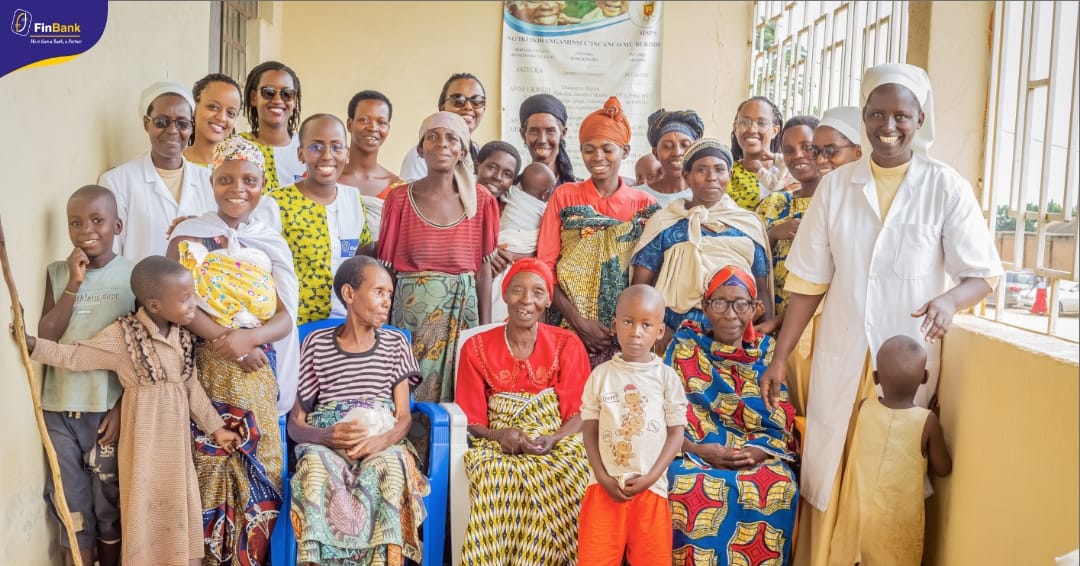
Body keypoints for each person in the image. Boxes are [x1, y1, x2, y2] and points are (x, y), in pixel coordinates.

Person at [757, 63, 1002, 566]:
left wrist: (949, 300)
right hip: (842, 353)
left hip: (904, 361)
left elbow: (983, 273)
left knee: (890, 476)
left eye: (901, 115)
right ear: (864, 117)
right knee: (835, 466)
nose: (888, 126)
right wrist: (779, 358)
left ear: (920, 119)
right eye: (877, 114)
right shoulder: (836, 186)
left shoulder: (946, 186)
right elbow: (807, 281)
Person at [20, 256, 241, 566]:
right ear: (154, 305)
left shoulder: (182, 338)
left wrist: (216, 428)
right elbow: (76, 356)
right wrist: (32, 344)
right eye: (185, 298)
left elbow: (191, 389)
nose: (194, 304)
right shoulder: (125, 337)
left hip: (176, 453)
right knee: (144, 508)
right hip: (143, 448)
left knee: (178, 508)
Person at [167, 136, 301, 563]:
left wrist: (250, 340)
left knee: (259, 467)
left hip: (258, 371)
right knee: (205, 463)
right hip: (205, 369)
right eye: (225, 179)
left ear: (263, 185)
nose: (236, 188)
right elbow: (181, 308)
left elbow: (285, 316)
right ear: (212, 181)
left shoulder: (269, 241)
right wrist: (235, 346)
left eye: (248, 180)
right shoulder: (189, 235)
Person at [288, 256, 429, 565]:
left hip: (382, 436)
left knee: (390, 467)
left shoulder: (395, 343)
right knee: (313, 466)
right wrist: (325, 435)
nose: (386, 301)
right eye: (379, 291)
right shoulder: (315, 344)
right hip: (329, 436)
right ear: (349, 295)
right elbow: (295, 423)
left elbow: (403, 417)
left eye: (389, 294)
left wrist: (381, 441)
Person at [455, 258, 592, 565]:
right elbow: (471, 418)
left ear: (547, 301)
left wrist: (552, 439)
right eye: (517, 290)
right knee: (493, 474)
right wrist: (500, 434)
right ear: (504, 295)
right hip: (496, 442)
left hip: (556, 438)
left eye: (538, 292)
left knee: (576, 470)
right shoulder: (476, 347)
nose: (526, 300)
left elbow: (580, 413)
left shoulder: (567, 343)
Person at [665, 265, 799, 565]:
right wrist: (698, 449)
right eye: (720, 303)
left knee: (779, 484)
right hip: (691, 452)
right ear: (705, 306)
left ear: (755, 308)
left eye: (741, 304)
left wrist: (757, 452)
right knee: (684, 484)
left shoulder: (767, 351)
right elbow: (663, 413)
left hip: (756, 453)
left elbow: (780, 416)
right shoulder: (685, 346)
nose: (730, 314)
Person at [36, 185, 134, 566]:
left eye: (97, 221)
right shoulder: (58, 273)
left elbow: (140, 352)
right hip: (58, 408)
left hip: (105, 409)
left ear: (117, 225)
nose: (86, 230)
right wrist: (73, 285)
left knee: (108, 506)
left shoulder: (133, 276)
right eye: (75, 223)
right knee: (70, 504)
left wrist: (122, 407)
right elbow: (47, 336)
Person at [378, 111, 499, 403]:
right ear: (421, 148)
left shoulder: (481, 201)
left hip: (463, 317)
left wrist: (484, 330)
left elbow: (483, 271)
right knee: (409, 394)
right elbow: (388, 273)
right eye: (432, 137)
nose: (441, 144)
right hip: (411, 319)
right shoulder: (399, 200)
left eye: (451, 138)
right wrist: (383, 332)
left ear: (462, 150)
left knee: (460, 397)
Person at [537, 96, 659, 367]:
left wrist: (624, 326)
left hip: (628, 332)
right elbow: (546, 267)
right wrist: (579, 322)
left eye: (607, 149)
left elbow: (650, 277)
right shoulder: (565, 196)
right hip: (568, 324)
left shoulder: (646, 206)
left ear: (625, 151)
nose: (597, 157)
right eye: (588, 149)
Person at [577, 285, 687, 565]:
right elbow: (589, 429)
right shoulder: (600, 376)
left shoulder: (667, 378)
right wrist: (601, 475)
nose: (636, 332)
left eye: (646, 324)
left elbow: (676, 434)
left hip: (650, 492)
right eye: (628, 322)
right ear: (615, 325)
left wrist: (650, 478)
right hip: (603, 490)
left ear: (659, 331)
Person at [631, 138, 773, 348]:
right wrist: (656, 326)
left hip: (735, 337)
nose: (711, 177)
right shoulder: (665, 223)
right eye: (701, 170)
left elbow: (761, 290)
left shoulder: (748, 226)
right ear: (686, 177)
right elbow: (641, 287)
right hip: (674, 338)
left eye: (719, 169)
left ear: (729, 175)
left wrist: (764, 335)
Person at [829, 335, 951, 566]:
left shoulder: (864, 406)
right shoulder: (927, 421)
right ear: (924, 377)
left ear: (876, 378)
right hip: (896, 523)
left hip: (859, 514)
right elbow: (943, 468)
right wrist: (934, 427)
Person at [256, 114, 375, 325]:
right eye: (316, 147)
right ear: (300, 154)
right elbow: (257, 268)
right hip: (291, 328)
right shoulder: (275, 203)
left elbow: (364, 252)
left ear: (347, 154)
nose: (327, 155)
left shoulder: (352, 199)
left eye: (337, 147)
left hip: (345, 328)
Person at [98, 82, 215, 261]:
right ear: (147, 124)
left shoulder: (209, 181)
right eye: (162, 122)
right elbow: (111, 255)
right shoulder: (117, 182)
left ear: (191, 127)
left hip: (199, 288)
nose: (173, 130)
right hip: (138, 287)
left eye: (182, 124)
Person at [756, 115, 821, 320]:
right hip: (768, 315)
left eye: (807, 147)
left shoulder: (835, 204)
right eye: (789, 150)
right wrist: (773, 234)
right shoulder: (773, 203)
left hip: (817, 318)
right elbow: (747, 253)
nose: (798, 155)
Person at [491, 163, 556, 322]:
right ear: (546, 193)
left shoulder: (512, 193)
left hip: (503, 245)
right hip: (511, 248)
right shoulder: (544, 207)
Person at [338, 90, 406, 237]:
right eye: (364, 120)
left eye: (381, 122)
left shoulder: (398, 190)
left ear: (388, 129)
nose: (373, 127)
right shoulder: (324, 177)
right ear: (350, 124)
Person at [400, 73, 487, 181]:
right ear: (442, 107)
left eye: (477, 101)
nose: (468, 107)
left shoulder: (479, 154)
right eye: (458, 100)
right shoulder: (422, 155)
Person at [240, 61, 306, 192]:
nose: (277, 100)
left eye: (287, 94)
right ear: (254, 97)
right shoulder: (236, 147)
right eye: (268, 92)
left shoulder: (309, 148)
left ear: (295, 101)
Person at [727, 96, 789, 211]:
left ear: (775, 131)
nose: (752, 129)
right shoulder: (724, 175)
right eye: (744, 122)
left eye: (761, 123)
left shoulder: (790, 173)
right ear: (735, 129)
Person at [637, 108, 705, 207]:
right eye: (667, 146)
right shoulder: (636, 196)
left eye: (685, 145)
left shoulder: (707, 196)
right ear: (655, 153)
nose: (677, 152)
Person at [184, 74, 243, 168]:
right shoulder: (172, 162)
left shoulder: (243, 167)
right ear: (194, 107)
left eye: (231, 113)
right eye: (213, 107)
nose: (222, 118)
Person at [518, 93, 578, 187]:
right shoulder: (512, 191)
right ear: (523, 134)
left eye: (550, 131)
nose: (542, 140)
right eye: (534, 131)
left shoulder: (577, 191)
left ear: (563, 133)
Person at [811, 106, 863, 176]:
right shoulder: (825, 186)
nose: (819, 160)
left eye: (830, 151)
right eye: (815, 151)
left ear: (858, 153)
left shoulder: (874, 186)